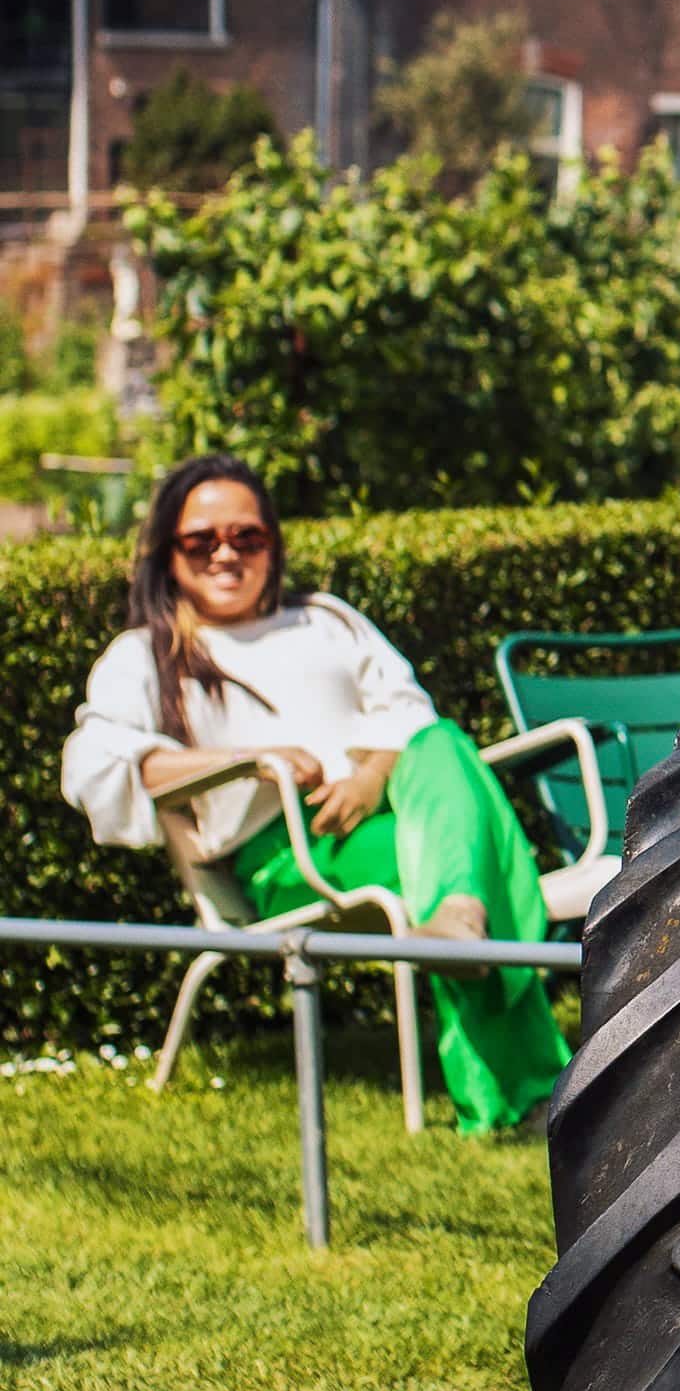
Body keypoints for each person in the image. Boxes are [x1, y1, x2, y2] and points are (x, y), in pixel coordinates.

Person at [62, 456, 570, 1132]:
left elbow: (406, 709)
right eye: (201, 540)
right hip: (290, 857)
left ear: (272, 545)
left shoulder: (325, 619)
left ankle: (462, 926)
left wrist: (368, 778)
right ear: (168, 553)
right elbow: (95, 761)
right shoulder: (144, 655)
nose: (226, 554)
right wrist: (251, 761)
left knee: (441, 742)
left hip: (393, 805)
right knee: (470, 853)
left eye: (247, 537)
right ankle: (517, 1058)